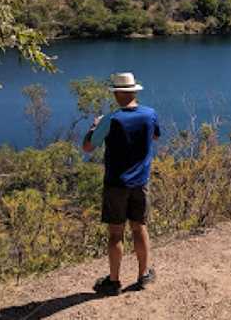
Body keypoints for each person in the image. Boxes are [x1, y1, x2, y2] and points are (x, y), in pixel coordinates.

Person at [82, 72, 160, 296]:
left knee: (116, 234)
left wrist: (93, 127)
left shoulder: (110, 119)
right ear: (135, 91)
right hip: (140, 182)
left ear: (117, 94)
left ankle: (113, 282)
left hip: (116, 184)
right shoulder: (149, 114)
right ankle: (144, 275)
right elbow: (154, 137)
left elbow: (88, 148)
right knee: (139, 227)